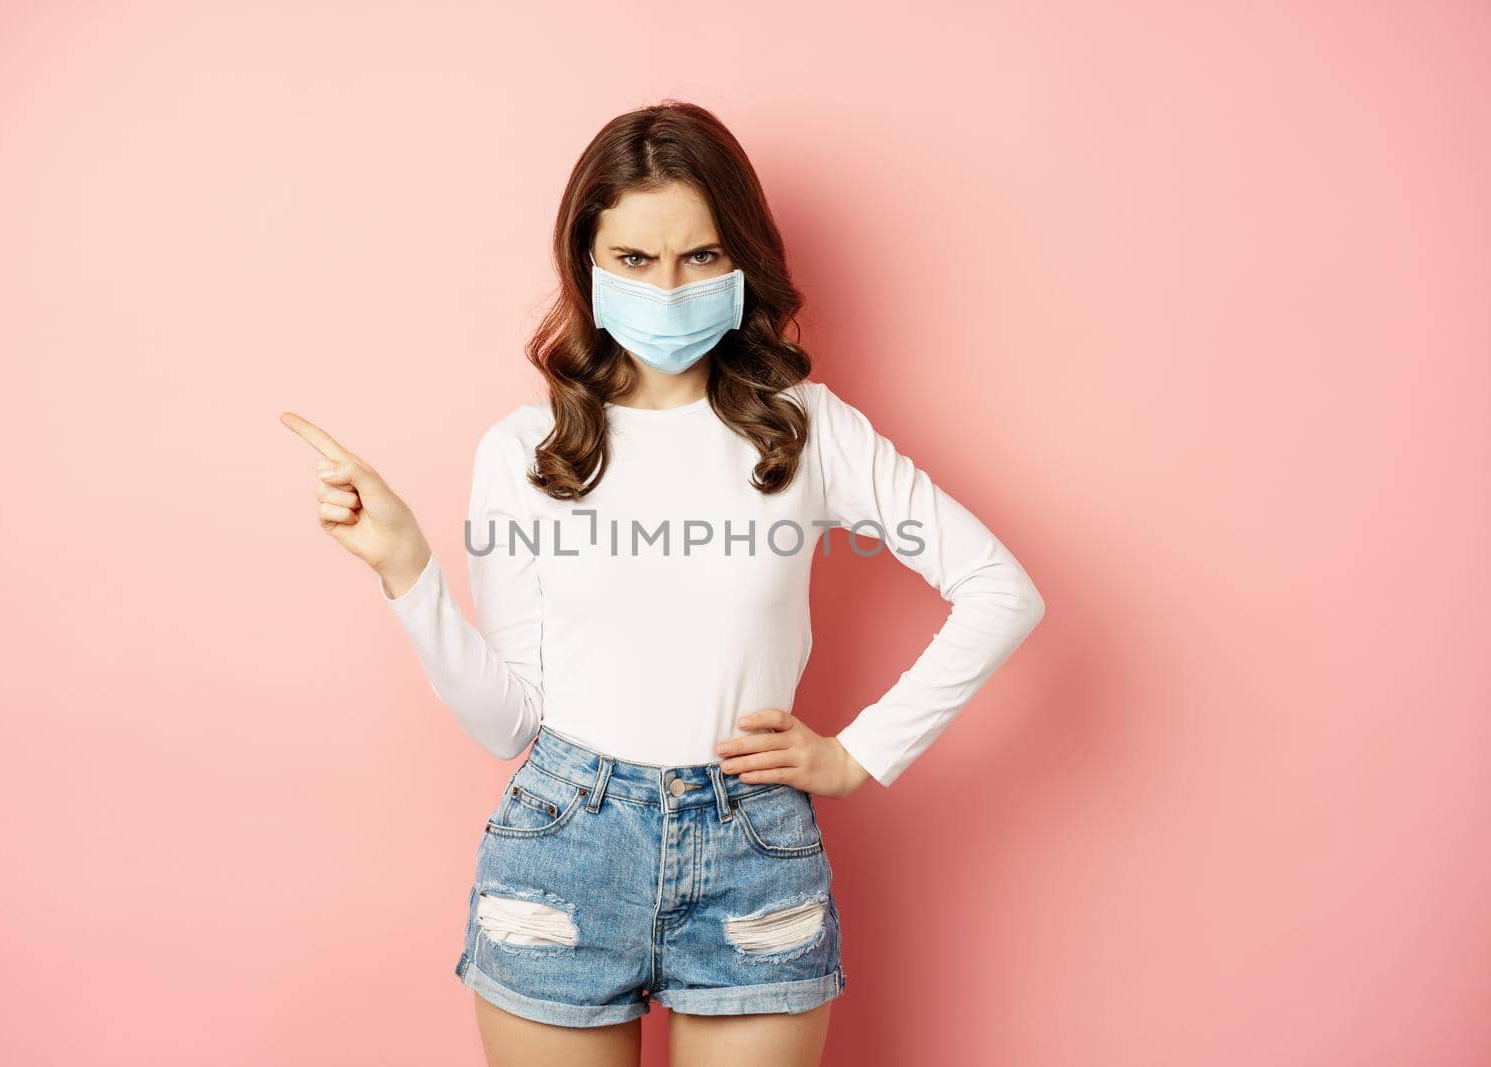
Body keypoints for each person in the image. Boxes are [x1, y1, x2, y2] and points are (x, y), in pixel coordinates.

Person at [281, 100, 1046, 1067]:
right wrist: (407, 569)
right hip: (563, 845)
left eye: (701, 257)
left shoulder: (806, 429)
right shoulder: (528, 451)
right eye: (636, 261)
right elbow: (508, 725)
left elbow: (999, 588)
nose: (669, 288)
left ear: (743, 263)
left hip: (751, 850)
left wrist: (858, 755)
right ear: (589, 268)